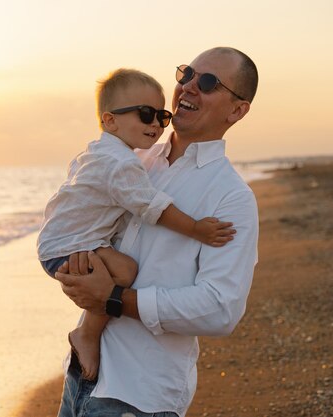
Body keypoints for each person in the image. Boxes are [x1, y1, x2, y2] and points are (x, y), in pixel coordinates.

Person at [54, 47, 260, 417]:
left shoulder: (232, 197)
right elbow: (79, 217)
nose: (189, 88)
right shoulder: (132, 161)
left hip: (139, 392)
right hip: (82, 375)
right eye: (187, 75)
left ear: (237, 110)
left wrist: (115, 298)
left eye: (209, 82)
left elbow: (220, 309)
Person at [37, 68, 236, 381]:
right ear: (110, 120)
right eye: (145, 115)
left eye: (162, 115)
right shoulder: (122, 163)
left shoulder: (97, 152)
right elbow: (152, 208)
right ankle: (87, 334)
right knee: (125, 271)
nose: (156, 124)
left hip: (59, 241)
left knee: (117, 269)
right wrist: (196, 229)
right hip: (69, 247)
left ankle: (87, 333)